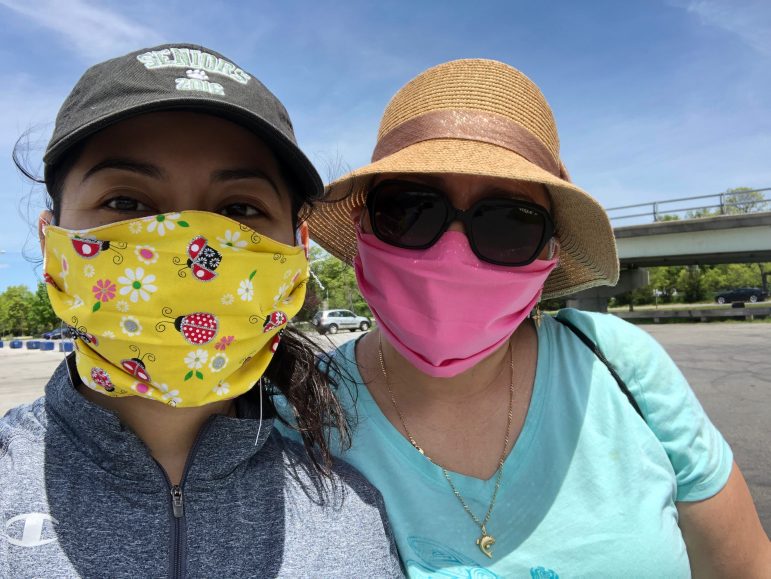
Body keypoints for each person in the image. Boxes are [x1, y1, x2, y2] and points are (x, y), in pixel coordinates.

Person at [279, 59, 770, 576]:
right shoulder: (298, 410)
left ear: (549, 253)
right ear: (363, 227)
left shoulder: (619, 366)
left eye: (509, 223)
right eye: (410, 209)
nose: (453, 253)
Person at [0, 43, 402, 578]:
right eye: (127, 203)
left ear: (298, 253)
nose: (188, 248)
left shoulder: (352, 516)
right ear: (53, 241)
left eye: (239, 209)